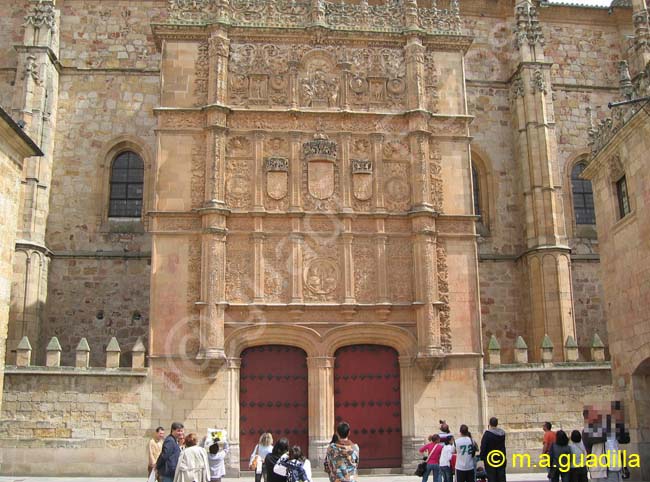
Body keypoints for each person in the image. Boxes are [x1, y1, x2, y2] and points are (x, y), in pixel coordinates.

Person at [479, 417, 506, 482]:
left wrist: (482, 456)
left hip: (490, 459)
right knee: (501, 476)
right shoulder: (502, 433)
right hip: (500, 457)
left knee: (492, 477)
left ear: (490, 424)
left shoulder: (487, 434)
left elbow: (483, 446)